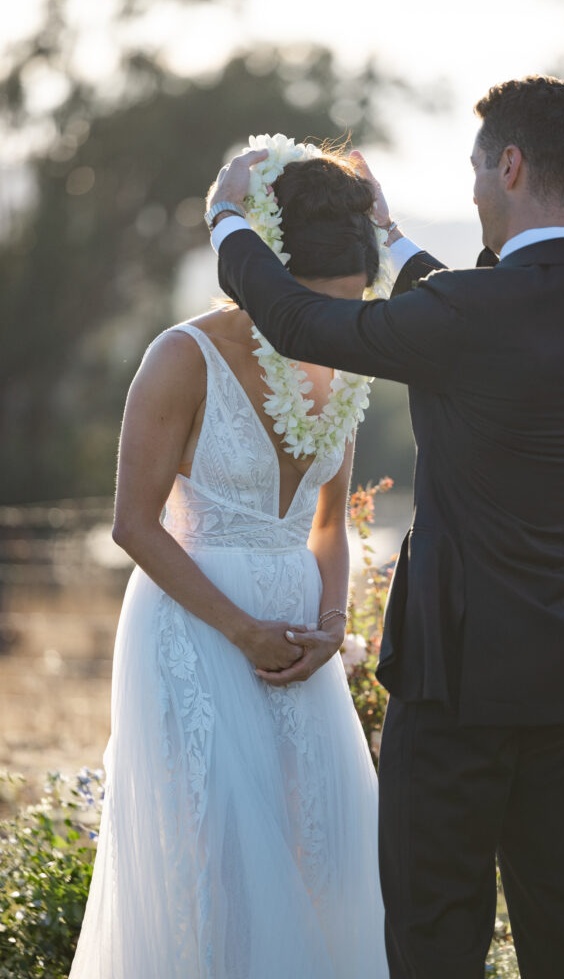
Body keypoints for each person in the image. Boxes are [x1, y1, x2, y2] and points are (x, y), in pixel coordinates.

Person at [206, 75, 564, 979]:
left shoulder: (470, 314)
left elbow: (303, 320)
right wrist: (391, 235)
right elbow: (495, 316)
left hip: (459, 672)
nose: (470, 191)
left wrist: (229, 222)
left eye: (473, 169)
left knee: (434, 922)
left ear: (509, 163)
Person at [68, 153, 390, 978]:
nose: (336, 323)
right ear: (272, 276)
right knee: (213, 856)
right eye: (321, 304)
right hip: (196, 629)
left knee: (321, 846)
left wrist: (328, 627)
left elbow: (327, 524)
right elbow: (134, 524)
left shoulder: (345, 361)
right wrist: (242, 629)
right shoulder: (181, 357)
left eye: (352, 304)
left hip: (302, 643)